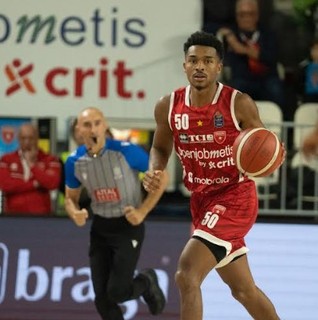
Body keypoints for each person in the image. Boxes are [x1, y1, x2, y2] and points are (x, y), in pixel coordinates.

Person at [143, 31, 285, 320]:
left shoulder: (238, 103)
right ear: (184, 65)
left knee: (186, 274)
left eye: (207, 61)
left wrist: (271, 156)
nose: (200, 66)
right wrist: (154, 170)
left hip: (235, 198)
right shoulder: (168, 106)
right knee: (243, 291)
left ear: (218, 67)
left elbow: (263, 143)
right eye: (193, 60)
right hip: (201, 201)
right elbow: (159, 146)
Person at [64, 107, 168, 320]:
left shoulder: (126, 151)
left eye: (97, 123)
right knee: (102, 300)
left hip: (127, 226)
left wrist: (143, 211)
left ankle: (147, 280)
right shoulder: (74, 161)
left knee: (117, 292)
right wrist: (74, 212)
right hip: (100, 227)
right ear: (78, 130)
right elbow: (70, 198)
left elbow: (162, 176)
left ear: (104, 126)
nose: (93, 128)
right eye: (87, 124)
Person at [217, 0, 286, 117]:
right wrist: (227, 36)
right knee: (233, 91)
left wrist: (241, 48)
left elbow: (271, 57)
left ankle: (282, 130)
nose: (246, 18)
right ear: (236, 16)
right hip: (242, 79)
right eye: (242, 15)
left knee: (277, 90)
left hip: (266, 78)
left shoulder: (268, 34)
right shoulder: (231, 34)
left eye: (250, 14)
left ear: (257, 15)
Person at [0, 123, 61, 215]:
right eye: (23, 138)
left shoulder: (50, 159)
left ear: (37, 138)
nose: (27, 142)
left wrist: (32, 165)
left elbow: (52, 183)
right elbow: (5, 185)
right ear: (18, 139)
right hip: (12, 217)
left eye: (31, 138)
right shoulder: (6, 160)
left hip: (42, 217)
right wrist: (34, 184)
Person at [297, 37, 318, 103]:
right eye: (313, 49)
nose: (315, 52)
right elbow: (299, 82)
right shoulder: (305, 65)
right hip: (309, 96)